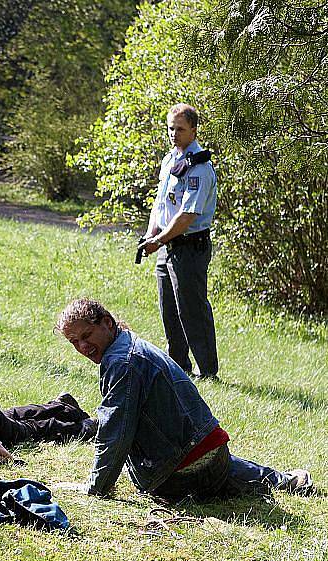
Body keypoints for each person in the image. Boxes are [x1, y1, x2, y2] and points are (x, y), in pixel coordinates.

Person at [54, 298, 314, 501]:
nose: (82, 348)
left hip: (184, 473)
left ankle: (269, 482)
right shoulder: (130, 343)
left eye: (86, 336)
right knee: (209, 462)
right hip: (215, 453)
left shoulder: (121, 362)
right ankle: (284, 481)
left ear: (107, 323)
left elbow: (116, 433)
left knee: (194, 466)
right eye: (74, 342)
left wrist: (96, 487)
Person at [139, 103, 218, 378]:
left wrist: (158, 240)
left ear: (194, 130)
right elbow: (161, 205)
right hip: (166, 246)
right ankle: (179, 367)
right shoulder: (170, 160)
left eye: (180, 129)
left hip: (189, 246)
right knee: (169, 311)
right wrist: (151, 234)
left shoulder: (200, 167)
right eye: (171, 128)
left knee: (192, 311)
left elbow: (187, 215)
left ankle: (207, 371)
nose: (174, 134)